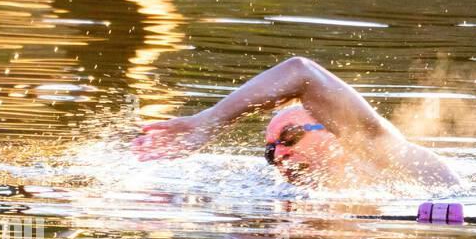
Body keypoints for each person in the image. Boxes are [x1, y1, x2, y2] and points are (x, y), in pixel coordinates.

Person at [132, 56, 459, 189]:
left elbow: (300, 71)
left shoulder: (389, 159)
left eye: (290, 137)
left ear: (335, 129)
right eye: (269, 151)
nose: (279, 156)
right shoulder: (287, 201)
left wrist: (209, 121)